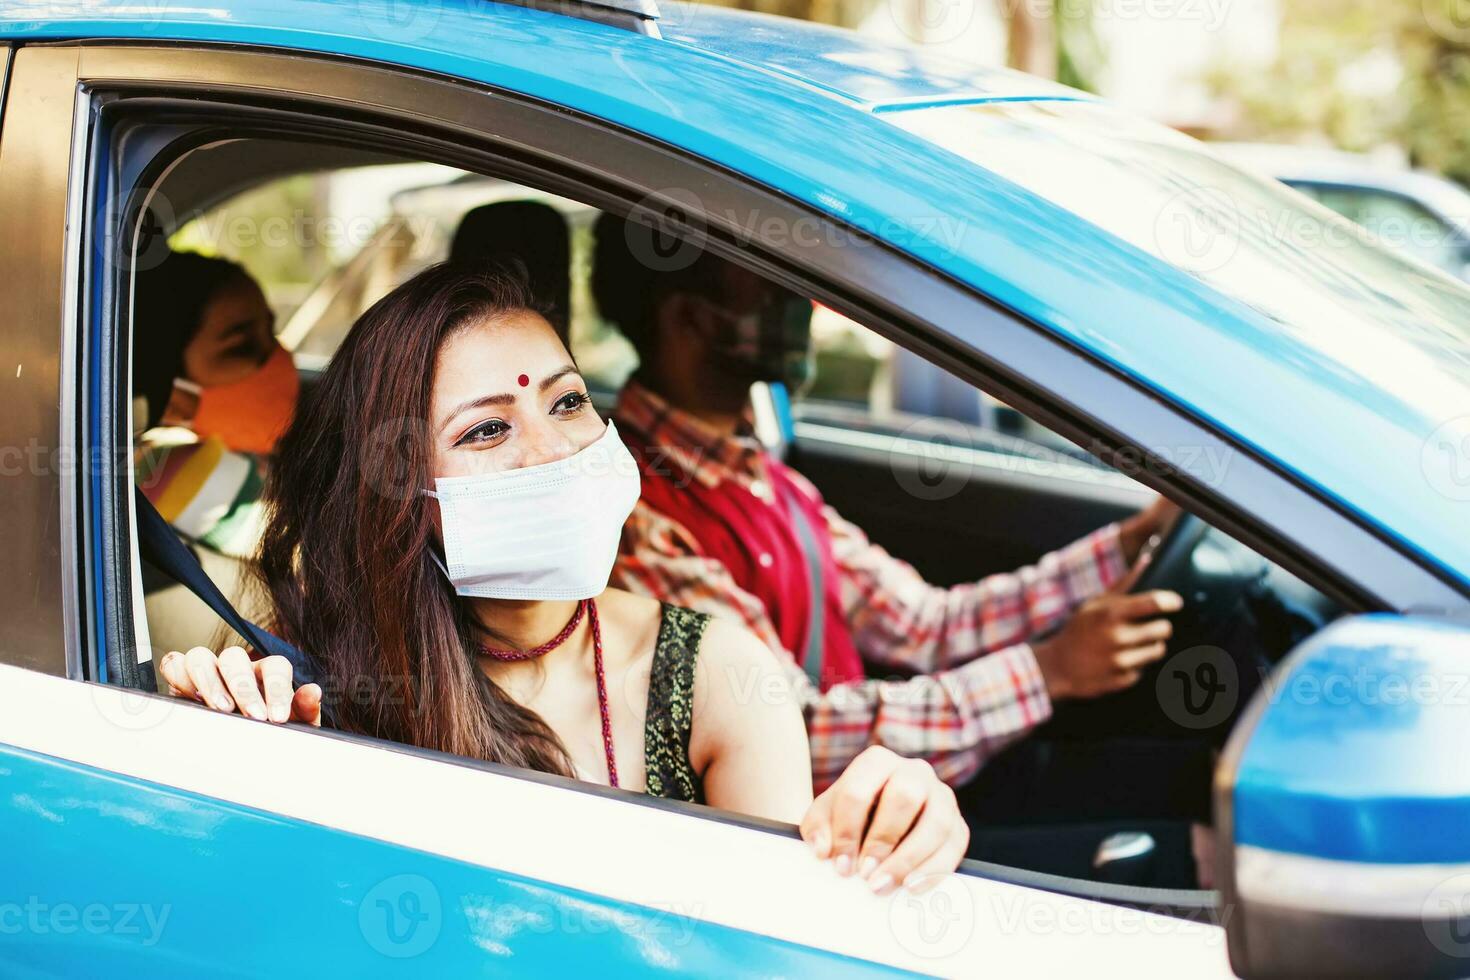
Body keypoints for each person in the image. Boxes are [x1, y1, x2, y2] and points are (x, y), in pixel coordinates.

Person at [158, 262, 970, 894]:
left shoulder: (716, 673)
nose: (553, 452)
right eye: (485, 429)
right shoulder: (316, 676)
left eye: (570, 402)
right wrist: (212, 759)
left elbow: (777, 936)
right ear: (399, 491)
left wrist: (881, 830)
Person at [591, 212, 1184, 792]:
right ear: (690, 319)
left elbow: (925, 624)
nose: (801, 302)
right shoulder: (639, 515)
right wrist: (1049, 671)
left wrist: (1126, 545)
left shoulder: (764, 476)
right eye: (769, 287)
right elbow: (789, 729)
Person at [132, 250, 299, 556]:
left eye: (271, 332)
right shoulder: (177, 468)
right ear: (169, 391)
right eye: (240, 347)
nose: (278, 358)